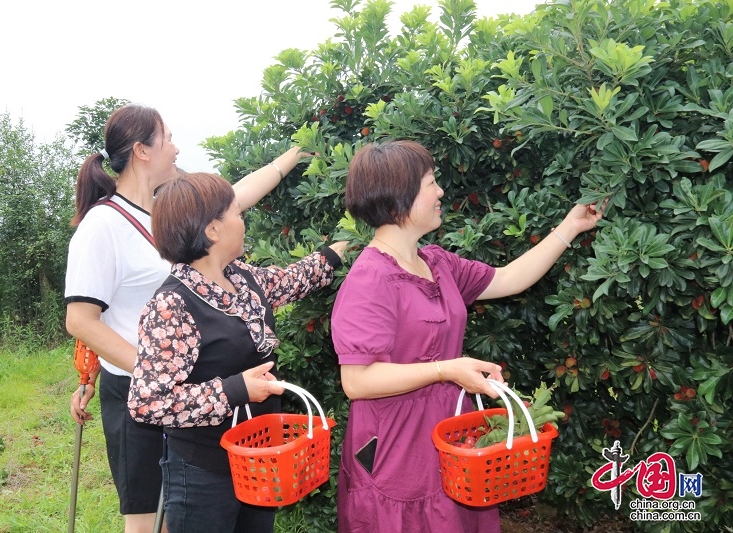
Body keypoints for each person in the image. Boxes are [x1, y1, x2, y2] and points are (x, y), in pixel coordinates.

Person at [330, 140, 606, 533]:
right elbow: (357, 381)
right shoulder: (369, 279)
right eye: (430, 183)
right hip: (395, 446)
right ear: (399, 198)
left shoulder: (437, 263)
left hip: (451, 431)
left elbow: (510, 278)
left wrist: (571, 225)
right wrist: (446, 369)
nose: (441, 191)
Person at [64, 103, 310, 533]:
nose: (177, 149)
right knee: (146, 521)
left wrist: (295, 154)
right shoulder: (102, 224)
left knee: (185, 511)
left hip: (198, 396)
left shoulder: (168, 210)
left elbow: (233, 200)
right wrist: (156, 372)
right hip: (142, 393)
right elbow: (81, 320)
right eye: (169, 138)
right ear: (142, 151)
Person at [126, 171, 347, 533]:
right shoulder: (172, 305)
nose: (243, 221)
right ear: (213, 229)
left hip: (258, 460)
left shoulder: (241, 278)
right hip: (204, 472)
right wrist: (235, 389)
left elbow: (290, 280)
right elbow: (147, 402)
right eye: (237, 213)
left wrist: (339, 250)